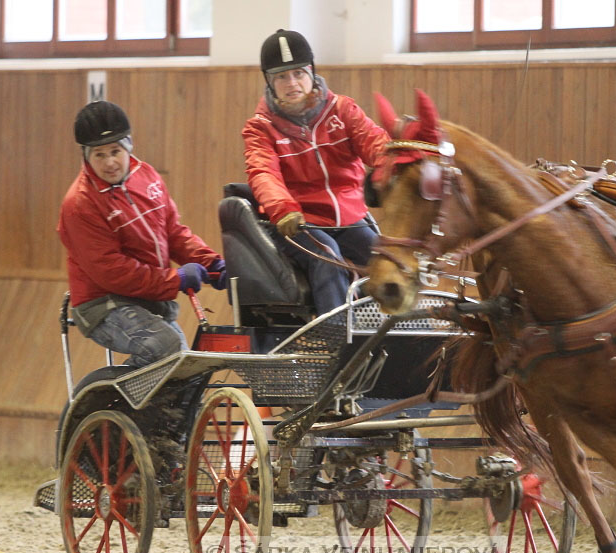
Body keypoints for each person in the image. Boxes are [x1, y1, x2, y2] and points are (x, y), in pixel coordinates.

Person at [58, 100, 228, 368]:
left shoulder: (147, 177)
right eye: (99, 155)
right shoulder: (80, 205)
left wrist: (212, 263)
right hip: (104, 305)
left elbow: (174, 233)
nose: (110, 162)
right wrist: (174, 279)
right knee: (166, 348)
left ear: (129, 145)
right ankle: (119, 401)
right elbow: (112, 272)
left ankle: (145, 406)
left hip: (148, 299)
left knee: (185, 366)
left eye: (115, 151)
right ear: (86, 156)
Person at [242, 29, 390, 314]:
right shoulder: (260, 128)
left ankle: (397, 335)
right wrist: (283, 208)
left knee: (385, 260)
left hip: (350, 219)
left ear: (311, 72)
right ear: (269, 83)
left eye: (298, 73)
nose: (292, 83)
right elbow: (263, 172)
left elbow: (376, 144)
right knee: (326, 256)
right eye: (281, 77)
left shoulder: (343, 110)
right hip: (300, 223)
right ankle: (333, 341)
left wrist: (392, 172)